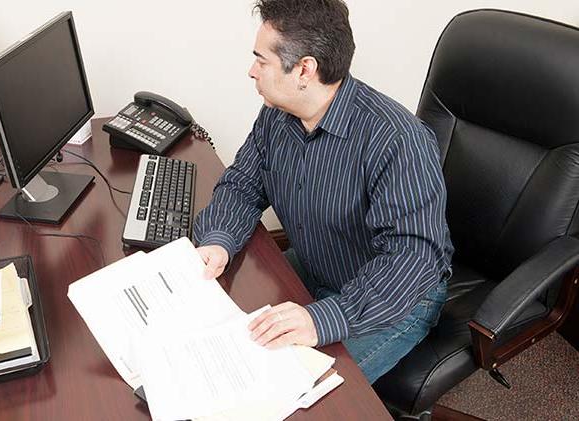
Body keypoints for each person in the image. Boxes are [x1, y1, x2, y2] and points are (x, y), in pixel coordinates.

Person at [193, 0, 454, 384]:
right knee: (216, 325)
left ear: (304, 69)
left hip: (396, 299)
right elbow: (243, 183)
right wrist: (218, 241)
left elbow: (411, 261)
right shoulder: (277, 115)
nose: (252, 71)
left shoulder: (397, 140)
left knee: (290, 392)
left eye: (261, 61)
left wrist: (323, 318)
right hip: (322, 265)